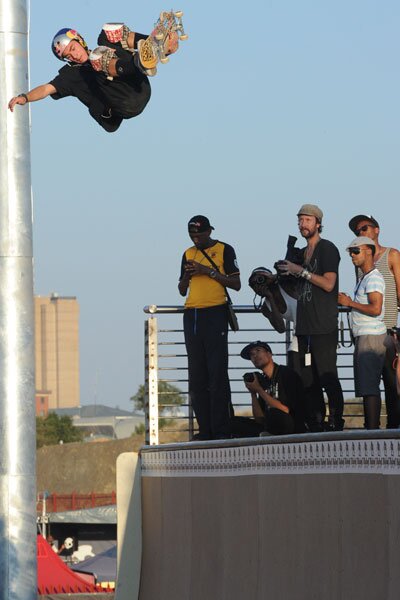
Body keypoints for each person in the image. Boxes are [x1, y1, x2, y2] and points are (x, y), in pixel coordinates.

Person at [8, 23, 173, 132]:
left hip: (139, 87)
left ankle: (155, 46)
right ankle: (140, 62)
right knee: (97, 58)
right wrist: (25, 97)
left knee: (106, 34)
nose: (74, 55)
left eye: (73, 48)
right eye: (68, 56)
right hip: (121, 103)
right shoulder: (70, 75)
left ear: (79, 41)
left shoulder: (100, 47)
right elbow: (46, 89)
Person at [277, 204, 345, 431]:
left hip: (323, 325)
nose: (302, 225)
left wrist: (300, 271)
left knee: (327, 376)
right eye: (300, 220)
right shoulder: (301, 253)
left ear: (318, 223)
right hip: (304, 326)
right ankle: (317, 422)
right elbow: (300, 291)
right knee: (308, 380)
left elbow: (328, 284)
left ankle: (336, 421)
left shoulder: (327, 248)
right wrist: (284, 276)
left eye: (307, 220)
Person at [178, 215, 241, 440]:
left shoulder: (225, 249)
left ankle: (221, 429)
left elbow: (236, 284)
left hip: (215, 312)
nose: (196, 240)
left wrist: (208, 271)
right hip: (192, 314)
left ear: (209, 231)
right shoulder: (187, 253)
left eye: (199, 235)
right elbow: (181, 290)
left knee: (217, 374)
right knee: (197, 377)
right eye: (192, 236)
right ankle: (204, 429)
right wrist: (186, 276)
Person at [348, 214, 400, 428]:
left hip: (388, 329)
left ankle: (392, 430)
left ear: (376, 229)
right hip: (371, 328)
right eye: (358, 231)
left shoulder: (392, 255)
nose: (361, 232)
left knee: (391, 385)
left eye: (365, 227)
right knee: (375, 383)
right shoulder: (361, 265)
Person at [338, 237, 386, 429]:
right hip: (365, 336)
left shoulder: (373, 277)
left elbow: (376, 309)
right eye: (350, 251)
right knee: (368, 386)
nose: (352, 255)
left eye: (355, 251)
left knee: (369, 387)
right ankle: (371, 427)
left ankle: (372, 430)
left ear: (369, 251)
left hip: (370, 337)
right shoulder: (364, 278)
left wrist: (349, 303)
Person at [240, 341, 306, 435]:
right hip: (271, 425)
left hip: (292, 426)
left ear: (269, 354)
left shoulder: (286, 374)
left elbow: (285, 410)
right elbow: (260, 419)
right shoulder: (263, 381)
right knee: (234, 423)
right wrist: (253, 393)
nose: (255, 356)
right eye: (252, 354)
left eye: (258, 351)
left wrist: (259, 390)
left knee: (273, 413)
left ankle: (268, 435)